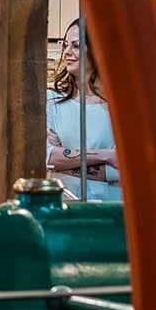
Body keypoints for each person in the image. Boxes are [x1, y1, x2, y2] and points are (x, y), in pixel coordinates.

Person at [46, 19, 121, 200]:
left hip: (110, 206)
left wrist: (63, 163)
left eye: (76, 46)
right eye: (65, 45)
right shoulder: (52, 100)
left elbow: (123, 170)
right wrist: (107, 155)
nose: (67, 52)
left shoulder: (121, 106)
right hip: (65, 204)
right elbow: (47, 157)